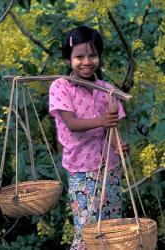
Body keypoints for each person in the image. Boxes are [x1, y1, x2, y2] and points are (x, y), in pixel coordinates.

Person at [49, 26, 129, 250]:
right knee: (87, 232)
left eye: (92, 55)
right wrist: (102, 120)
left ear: (99, 57)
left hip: (109, 170)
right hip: (81, 170)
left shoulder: (106, 89)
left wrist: (119, 146)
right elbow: (72, 124)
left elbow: (110, 128)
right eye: (79, 56)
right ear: (68, 59)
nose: (86, 61)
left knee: (111, 229)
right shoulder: (61, 87)